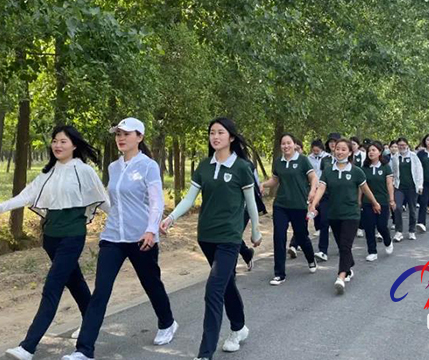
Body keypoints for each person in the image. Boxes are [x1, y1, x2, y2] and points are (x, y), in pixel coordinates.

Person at [0, 126, 109, 360]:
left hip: (73, 236)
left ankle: (28, 346)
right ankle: (90, 323)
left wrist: (128, 226)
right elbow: (26, 195)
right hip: (50, 238)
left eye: (63, 141)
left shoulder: (84, 171)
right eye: (55, 141)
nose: (58, 145)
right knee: (76, 282)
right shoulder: (48, 172)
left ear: (74, 145)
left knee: (52, 287)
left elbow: (103, 201)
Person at [63, 118, 177, 360]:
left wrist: (151, 230)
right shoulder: (113, 167)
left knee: (151, 284)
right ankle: (84, 350)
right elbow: (113, 202)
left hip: (141, 237)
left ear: (140, 137)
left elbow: (157, 201)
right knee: (101, 291)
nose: (120, 138)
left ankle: (167, 323)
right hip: (113, 236)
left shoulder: (148, 166)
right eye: (118, 134)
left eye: (126, 133)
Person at [161, 118, 262, 359]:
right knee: (226, 285)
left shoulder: (242, 167)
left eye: (220, 132)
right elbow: (188, 199)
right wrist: (171, 218)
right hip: (206, 236)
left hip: (229, 236)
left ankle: (205, 353)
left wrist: (255, 231)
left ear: (232, 138)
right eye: (212, 133)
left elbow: (251, 203)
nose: (215, 137)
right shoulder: (204, 166)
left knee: (213, 290)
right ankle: (239, 328)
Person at [308, 138, 381, 294]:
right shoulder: (328, 170)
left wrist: (375, 203)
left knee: (346, 245)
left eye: (343, 149)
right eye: (338, 149)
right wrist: (314, 203)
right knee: (342, 245)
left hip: (351, 214)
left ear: (350, 152)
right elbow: (321, 188)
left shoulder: (356, 171)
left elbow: (366, 189)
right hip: (334, 214)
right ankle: (349, 265)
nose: (339, 152)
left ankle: (341, 276)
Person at [260, 133, 318, 285]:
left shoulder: (302, 160)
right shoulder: (278, 162)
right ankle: (279, 273)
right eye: (283, 144)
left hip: (298, 205)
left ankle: (311, 259)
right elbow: (275, 179)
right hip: (281, 205)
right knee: (279, 236)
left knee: (302, 235)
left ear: (294, 144)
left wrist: (312, 191)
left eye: (288, 143)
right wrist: (264, 185)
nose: (286, 146)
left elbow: (313, 178)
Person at [361, 141, 396, 260]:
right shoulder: (364, 168)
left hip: (382, 200)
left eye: (373, 150)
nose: (371, 153)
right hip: (367, 201)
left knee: (381, 226)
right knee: (369, 227)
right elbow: (361, 186)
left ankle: (387, 241)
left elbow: (389, 184)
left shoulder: (385, 167)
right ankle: (372, 251)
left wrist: (391, 200)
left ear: (379, 152)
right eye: (369, 150)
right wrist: (358, 200)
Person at [314, 132, 342, 261]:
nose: (332, 144)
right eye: (330, 142)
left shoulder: (345, 160)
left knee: (337, 224)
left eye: (335, 142)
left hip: (340, 197)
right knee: (324, 221)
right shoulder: (325, 160)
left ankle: (343, 247)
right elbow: (321, 178)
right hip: (325, 195)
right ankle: (322, 250)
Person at [390, 138, 423, 242]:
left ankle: (412, 230)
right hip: (399, 187)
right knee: (398, 208)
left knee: (412, 209)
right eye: (399, 145)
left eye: (403, 145)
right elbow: (393, 171)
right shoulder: (395, 157)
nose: (401, 147)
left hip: (412, 187)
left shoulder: (413, 156)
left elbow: (419, 171)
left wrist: (420, 185)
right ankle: (398, 231)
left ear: (407, 145)